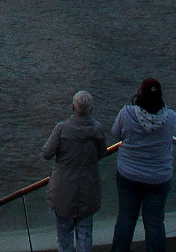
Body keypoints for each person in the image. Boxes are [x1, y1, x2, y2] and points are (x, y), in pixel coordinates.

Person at [110, 78, 176, 252]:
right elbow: (175, 131)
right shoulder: (170, 117)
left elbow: (115, 133)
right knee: (154, 222)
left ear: (140, 93)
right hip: (159, 177)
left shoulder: (126, 113)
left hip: (128, 174)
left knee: (126, 218)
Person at [43, 90, 106, 252]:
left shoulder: (61, 129)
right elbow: (102, 153)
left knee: (64, 236)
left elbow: (47, 153)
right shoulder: (97, 130)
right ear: (90, 110)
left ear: (73, 107)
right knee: (85, 233)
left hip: (63, 191)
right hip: (88, 190)